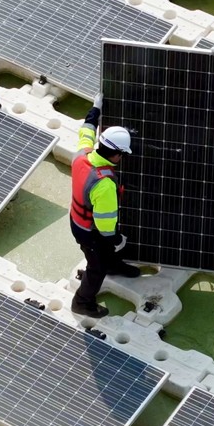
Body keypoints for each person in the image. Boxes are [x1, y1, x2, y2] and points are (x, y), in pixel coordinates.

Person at [70, 95, 139, 318]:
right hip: (89, 231)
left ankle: (113, 266)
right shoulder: (105, 185)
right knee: (95, 266)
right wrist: (117, 240)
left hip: (77, 220)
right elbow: (105, 225)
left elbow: (86, 131)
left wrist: (94, 110)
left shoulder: (82, 155)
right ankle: (82, 302)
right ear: (117, 154)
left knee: (105, 252)